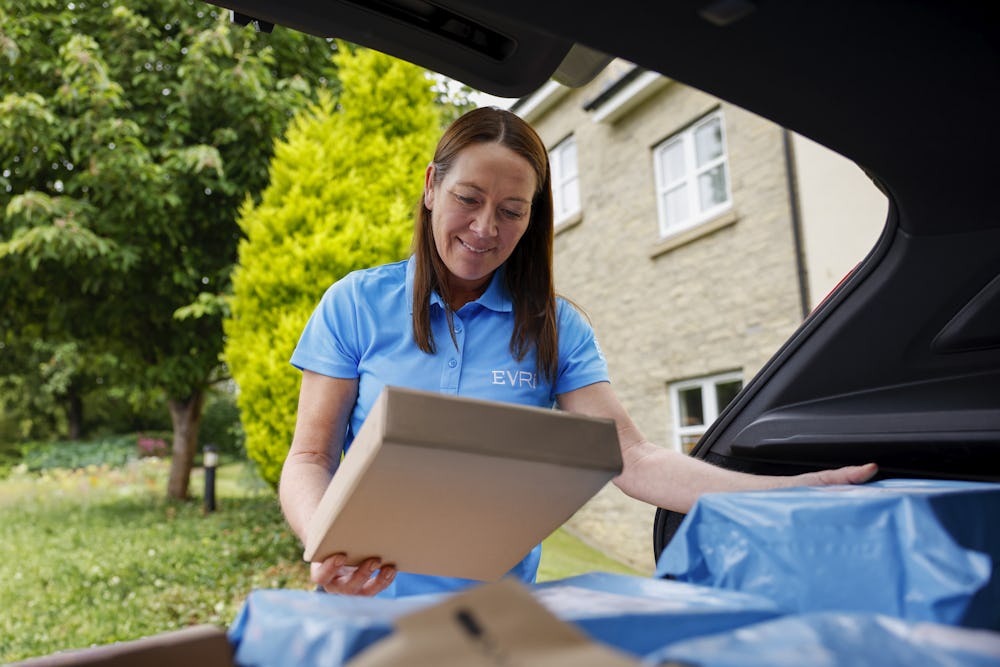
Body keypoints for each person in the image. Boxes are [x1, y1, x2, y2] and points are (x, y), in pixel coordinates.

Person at [280, 106, 877, 598]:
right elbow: (310, 457)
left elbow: (633, 459)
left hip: (491, 622)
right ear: (432, 187)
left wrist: (785, 493)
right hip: (361, 606)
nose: (486, 227)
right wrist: (323, 545)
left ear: (532, 217)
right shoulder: (355, 304)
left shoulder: (554, 327)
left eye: (512, 211)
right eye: (469, 198)